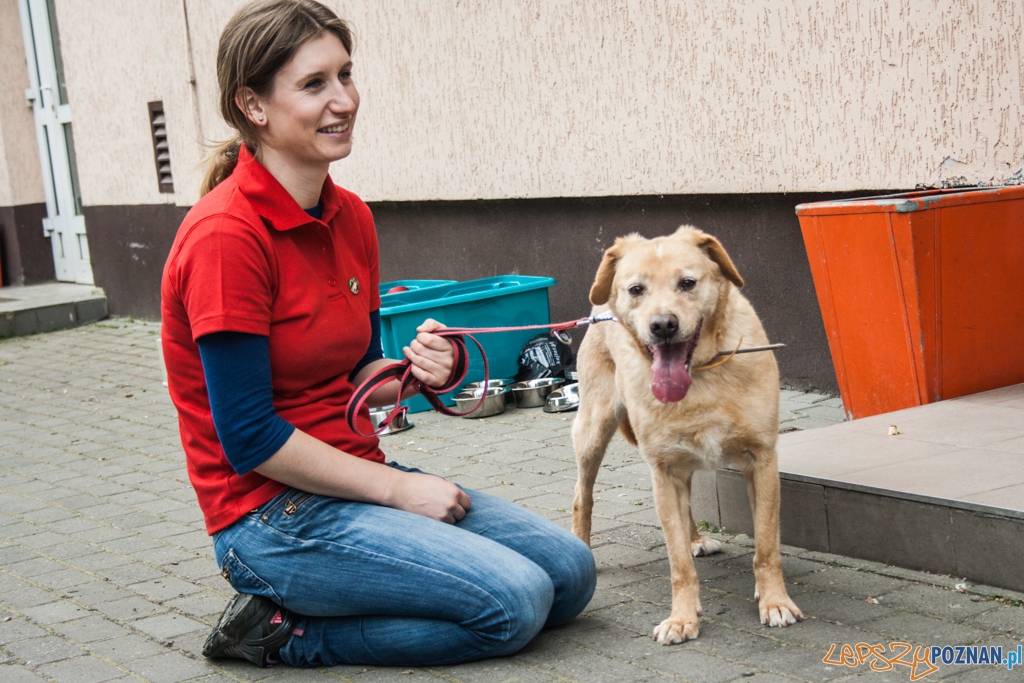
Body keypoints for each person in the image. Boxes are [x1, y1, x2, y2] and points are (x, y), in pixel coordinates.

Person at [160, 0, 595, 669]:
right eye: (314, 84)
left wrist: (428, 370)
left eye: (346, 74)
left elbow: (360, 377)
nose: (344, 99)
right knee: (514, 603)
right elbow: (247, 437)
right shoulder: (226, 238)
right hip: (269, 517)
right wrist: (401, 491)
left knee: (570, 574)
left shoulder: (350, 216)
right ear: (253, 104)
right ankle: (284, 632)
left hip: (354, 477)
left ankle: (372, 585)